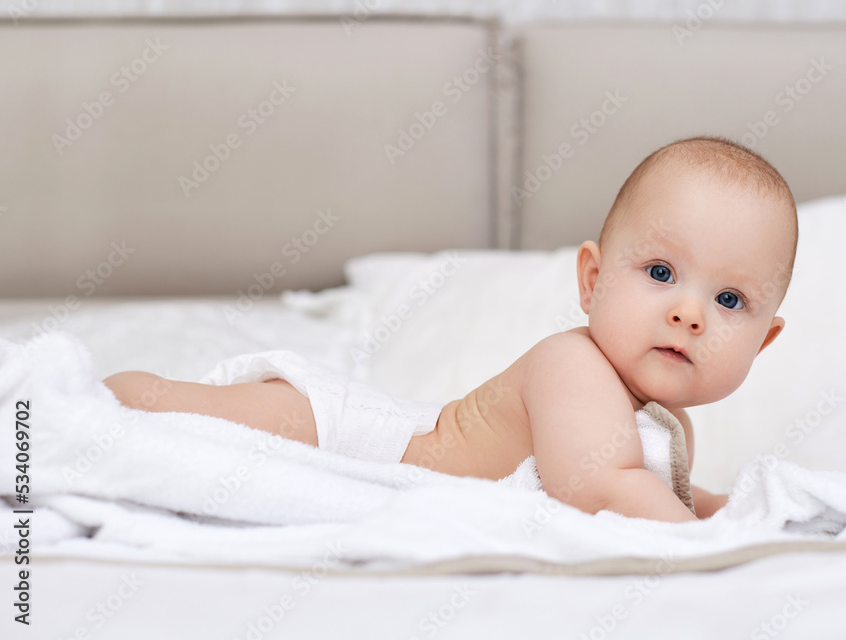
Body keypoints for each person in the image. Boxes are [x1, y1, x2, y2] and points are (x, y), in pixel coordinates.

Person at [103, 136, 797, 523]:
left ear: (764, 341)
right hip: (346, 436)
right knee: (169, 412)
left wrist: (734, 508)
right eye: (659, 272)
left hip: (379, 456)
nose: (690, 312)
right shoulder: (573, 366)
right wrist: (717, 542)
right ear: (592, 281)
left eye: (731, 298)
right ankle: (84, 397)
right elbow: (602, 491)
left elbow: (664, 498)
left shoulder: (665, 422)